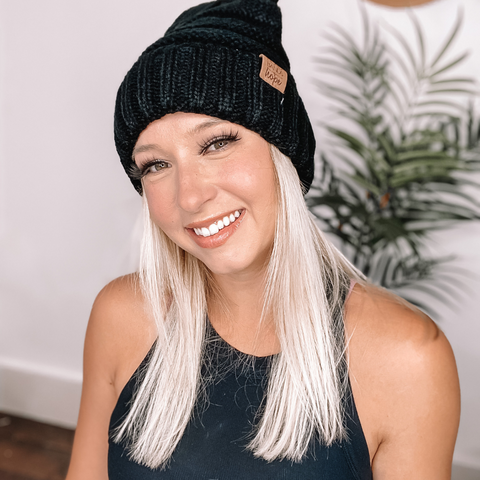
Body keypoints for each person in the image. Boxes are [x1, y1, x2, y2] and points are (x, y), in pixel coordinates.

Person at [66, 0, 460, 478]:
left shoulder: (407, 358)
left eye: (216, 143)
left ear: (283, 157)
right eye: (156, 165)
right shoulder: (121, 315)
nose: (189, 196)